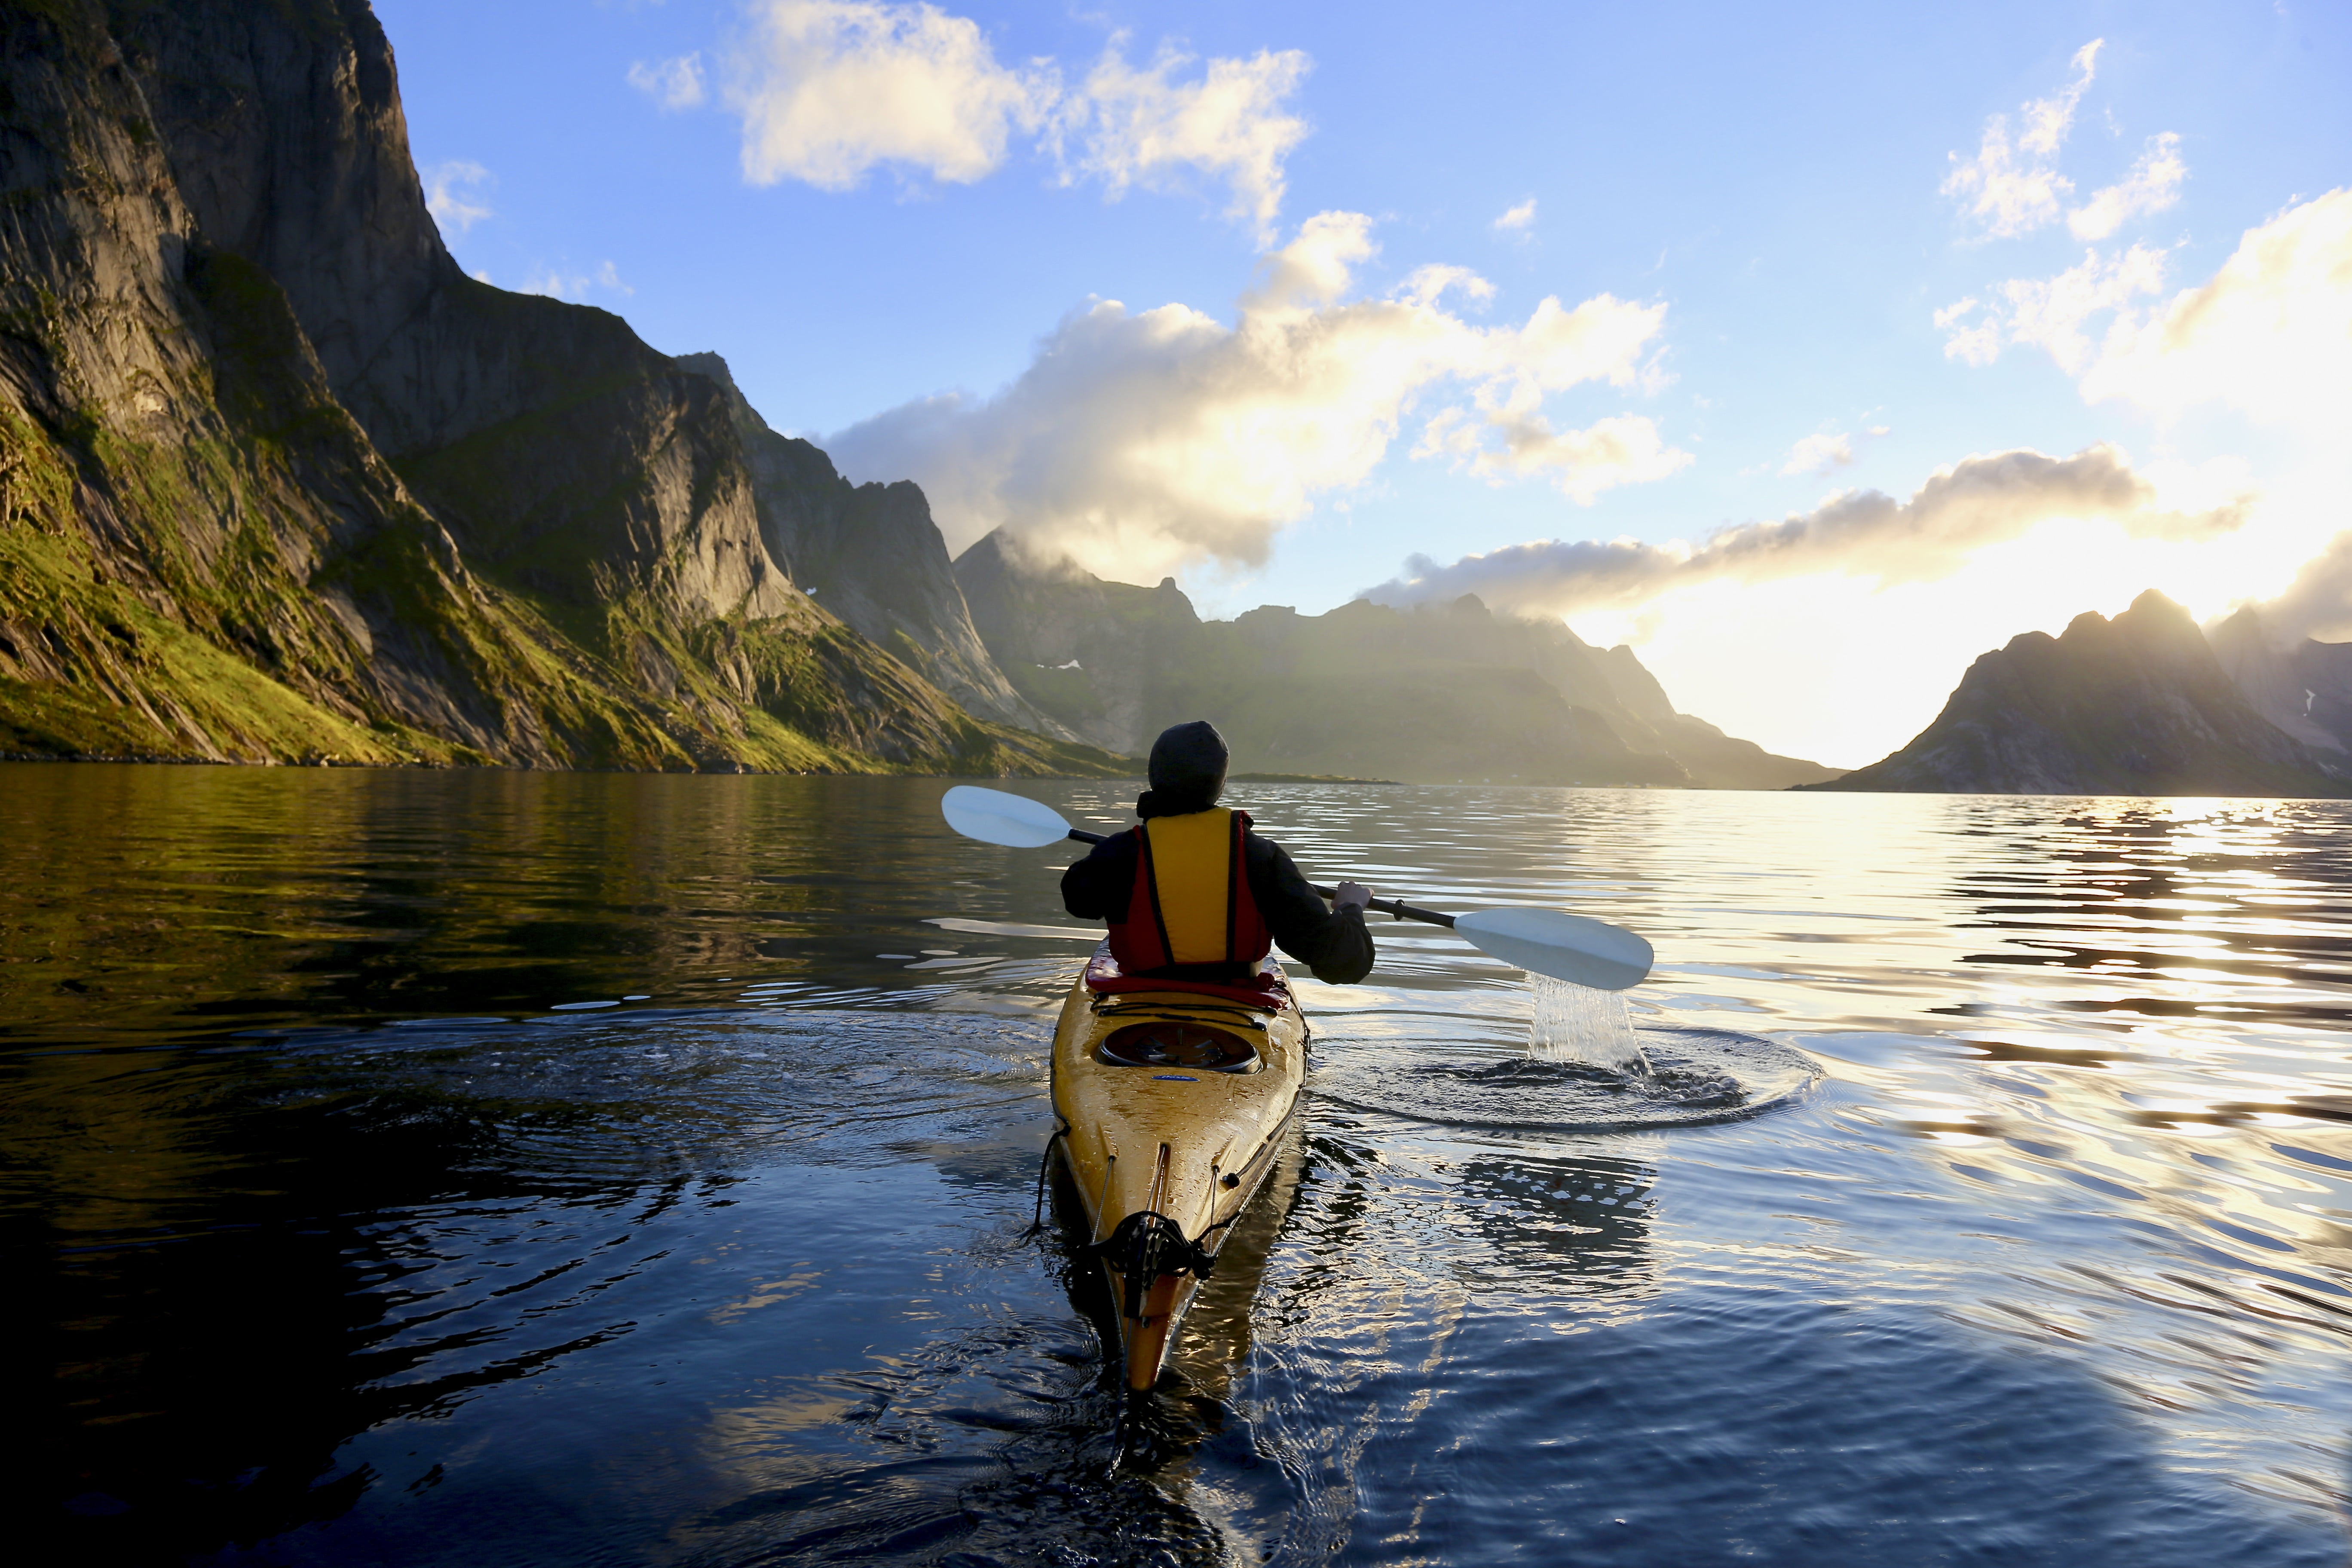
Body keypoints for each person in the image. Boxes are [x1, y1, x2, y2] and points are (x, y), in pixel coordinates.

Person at [1061, 720, 1377, 986]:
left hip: (1139, 1000)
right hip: (1235, 1010)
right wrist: (1350, 908)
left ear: (1154, 777)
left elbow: (1077, 902)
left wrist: (1106, 856)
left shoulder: (1120, 852)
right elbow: (1345, 962)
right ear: (1220, 784)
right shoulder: (1262, 856)